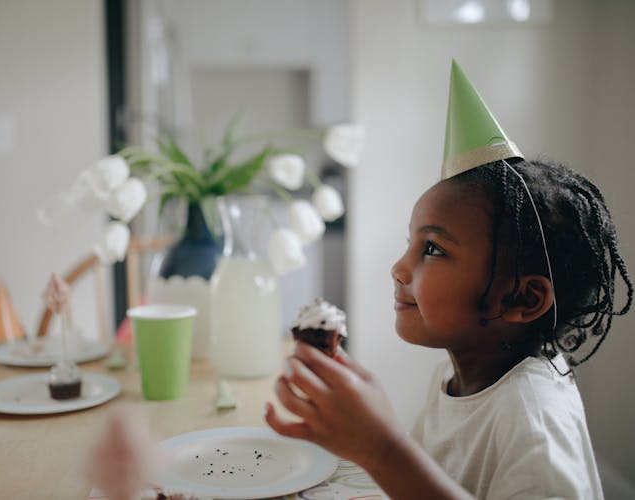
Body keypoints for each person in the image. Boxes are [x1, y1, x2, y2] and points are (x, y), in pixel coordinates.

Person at [265, 60, 633, 499]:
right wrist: (361, 440)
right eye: (411, 244)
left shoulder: (533, 415)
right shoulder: (454, 378)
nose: (399, 268)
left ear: (522, 297)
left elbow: (402, 465)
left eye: (433, 250)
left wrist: (383, 449)